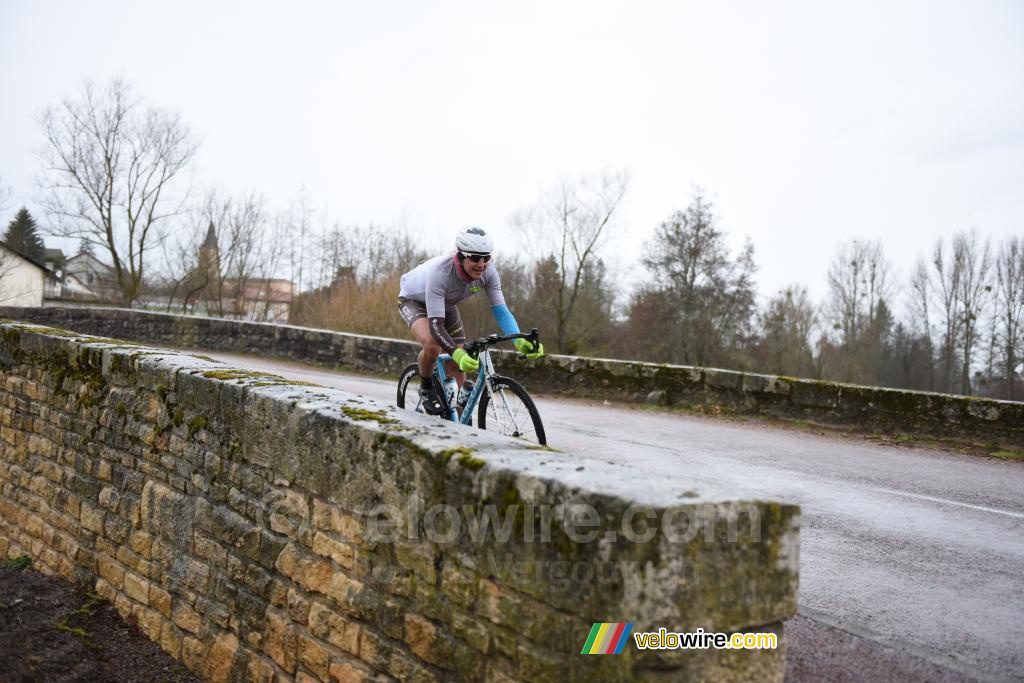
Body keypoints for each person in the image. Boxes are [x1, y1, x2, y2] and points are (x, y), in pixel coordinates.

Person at [397, 226, 544, 414]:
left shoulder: (489, 273)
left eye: (486, 258)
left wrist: (518, 340)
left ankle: (456, 425)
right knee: (433, 345)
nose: (481, 264)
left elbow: (501, 312)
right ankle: (426, 386)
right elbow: (436, 326)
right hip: (413, 300)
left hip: (446, 304)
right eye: (475, 258)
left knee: (458, 375)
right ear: (460, 256)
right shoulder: (440, 273)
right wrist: (456, 352)